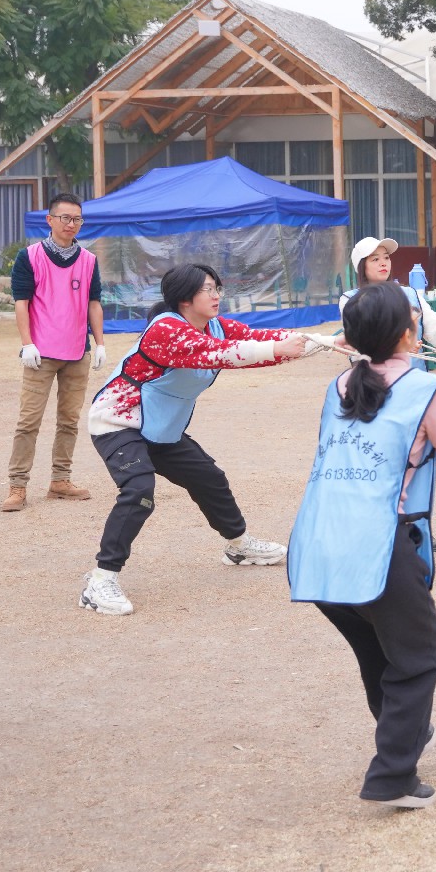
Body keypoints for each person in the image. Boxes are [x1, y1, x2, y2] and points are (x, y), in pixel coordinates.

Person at [288, 284, 436, 808]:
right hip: (375, 546)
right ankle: (392, 777)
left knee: (379, 649)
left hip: (317, 543)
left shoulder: (340, 384)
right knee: (417, 657)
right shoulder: (431, 389)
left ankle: (404, 734)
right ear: (409, 334)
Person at [79, 263, 323, 617]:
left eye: (217, 287)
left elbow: (256, 341)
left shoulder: (216, 325)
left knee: (209, 478)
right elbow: (223, 354)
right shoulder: (166, 330)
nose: (216, 295)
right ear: (183, 298)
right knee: (139, 491)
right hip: (118, 421)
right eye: (208, 289)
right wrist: (283, 348)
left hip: (160, 429)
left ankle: (238, 547)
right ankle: (100, 581)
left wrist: (329, 342)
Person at [2, 193, 106, 512]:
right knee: (28, 421)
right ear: (50, 220)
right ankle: (17, 486)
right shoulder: (30, 257)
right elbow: (22, 302)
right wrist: (27, 343)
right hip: (41, 354)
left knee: (69, 420)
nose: (71, 224)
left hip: (77, 352)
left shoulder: (88, 260)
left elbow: (94, 302)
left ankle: (60, 480)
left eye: (77, 219)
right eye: (65, 218)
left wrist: (99, 343)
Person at [341, 237, 436, 370]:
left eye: (386, 257)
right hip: (375, 387)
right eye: (375, 259)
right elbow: (359, 345)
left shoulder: (411, 294)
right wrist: (400, 347)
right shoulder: (351, 300)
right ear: (361, 266)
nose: (383, 263)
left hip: (414, 383)